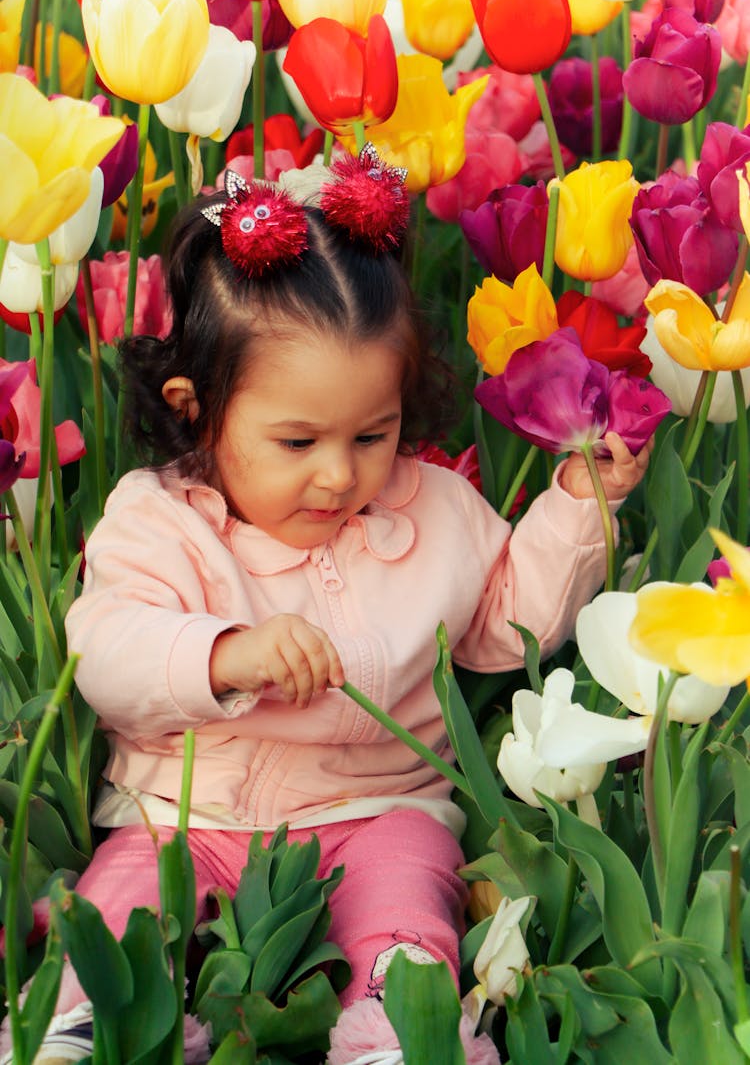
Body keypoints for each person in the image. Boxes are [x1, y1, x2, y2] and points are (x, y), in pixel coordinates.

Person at [13, 149, 650, 1065]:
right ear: (198, 410)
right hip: (186, 807)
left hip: (378, 800)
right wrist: (223, 652)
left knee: (407, 887)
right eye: (298, 439)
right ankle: (82, 1014)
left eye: (372, 433)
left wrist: (579, 506)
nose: (341, 472)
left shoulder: (431, 509)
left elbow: (508, 624)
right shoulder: (160, 519)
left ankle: (400, 1019)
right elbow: (106, 649)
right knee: (129, 887)